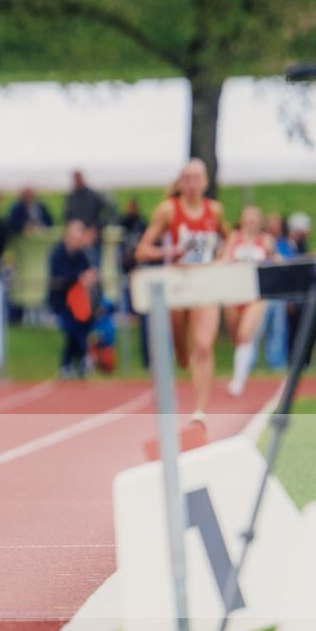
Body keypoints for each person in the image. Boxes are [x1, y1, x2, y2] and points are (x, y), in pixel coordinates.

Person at [135, 158, 228, 429]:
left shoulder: (215, 210)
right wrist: (169, 252)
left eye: (197, 178)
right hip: (178, 284)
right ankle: (184, 358)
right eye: (187, 178)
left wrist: (222, 258)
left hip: (205, 283)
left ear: (205, 182)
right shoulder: (169, 210)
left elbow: (229, 236)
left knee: (203, 346)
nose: (192, 184)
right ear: (180, 182)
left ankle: (200, 411)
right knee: (183, 354)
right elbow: (142, 250)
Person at [222, 205, 277, 397]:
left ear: (260, 221)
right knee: (237, 338)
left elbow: (276, 262)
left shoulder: (266, 240)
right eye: (248, 218)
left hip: (255, 295)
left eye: (255, 218)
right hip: (234, 293)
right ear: (242, 220)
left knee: (245, 334)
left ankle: (238, 382)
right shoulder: (233, 237)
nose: (251, 222)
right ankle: (242, 369)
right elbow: (224, 260)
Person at [47, 220, 100, 378]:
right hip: (61, 302)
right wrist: (79, 278)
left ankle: (72, 362)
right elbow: (59, 276)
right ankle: (80, 358)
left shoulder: (81, 254)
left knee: (84, 324)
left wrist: (90, 276)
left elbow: (89, 271)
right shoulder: (58, 254)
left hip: (79, 302)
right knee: (73, 328)